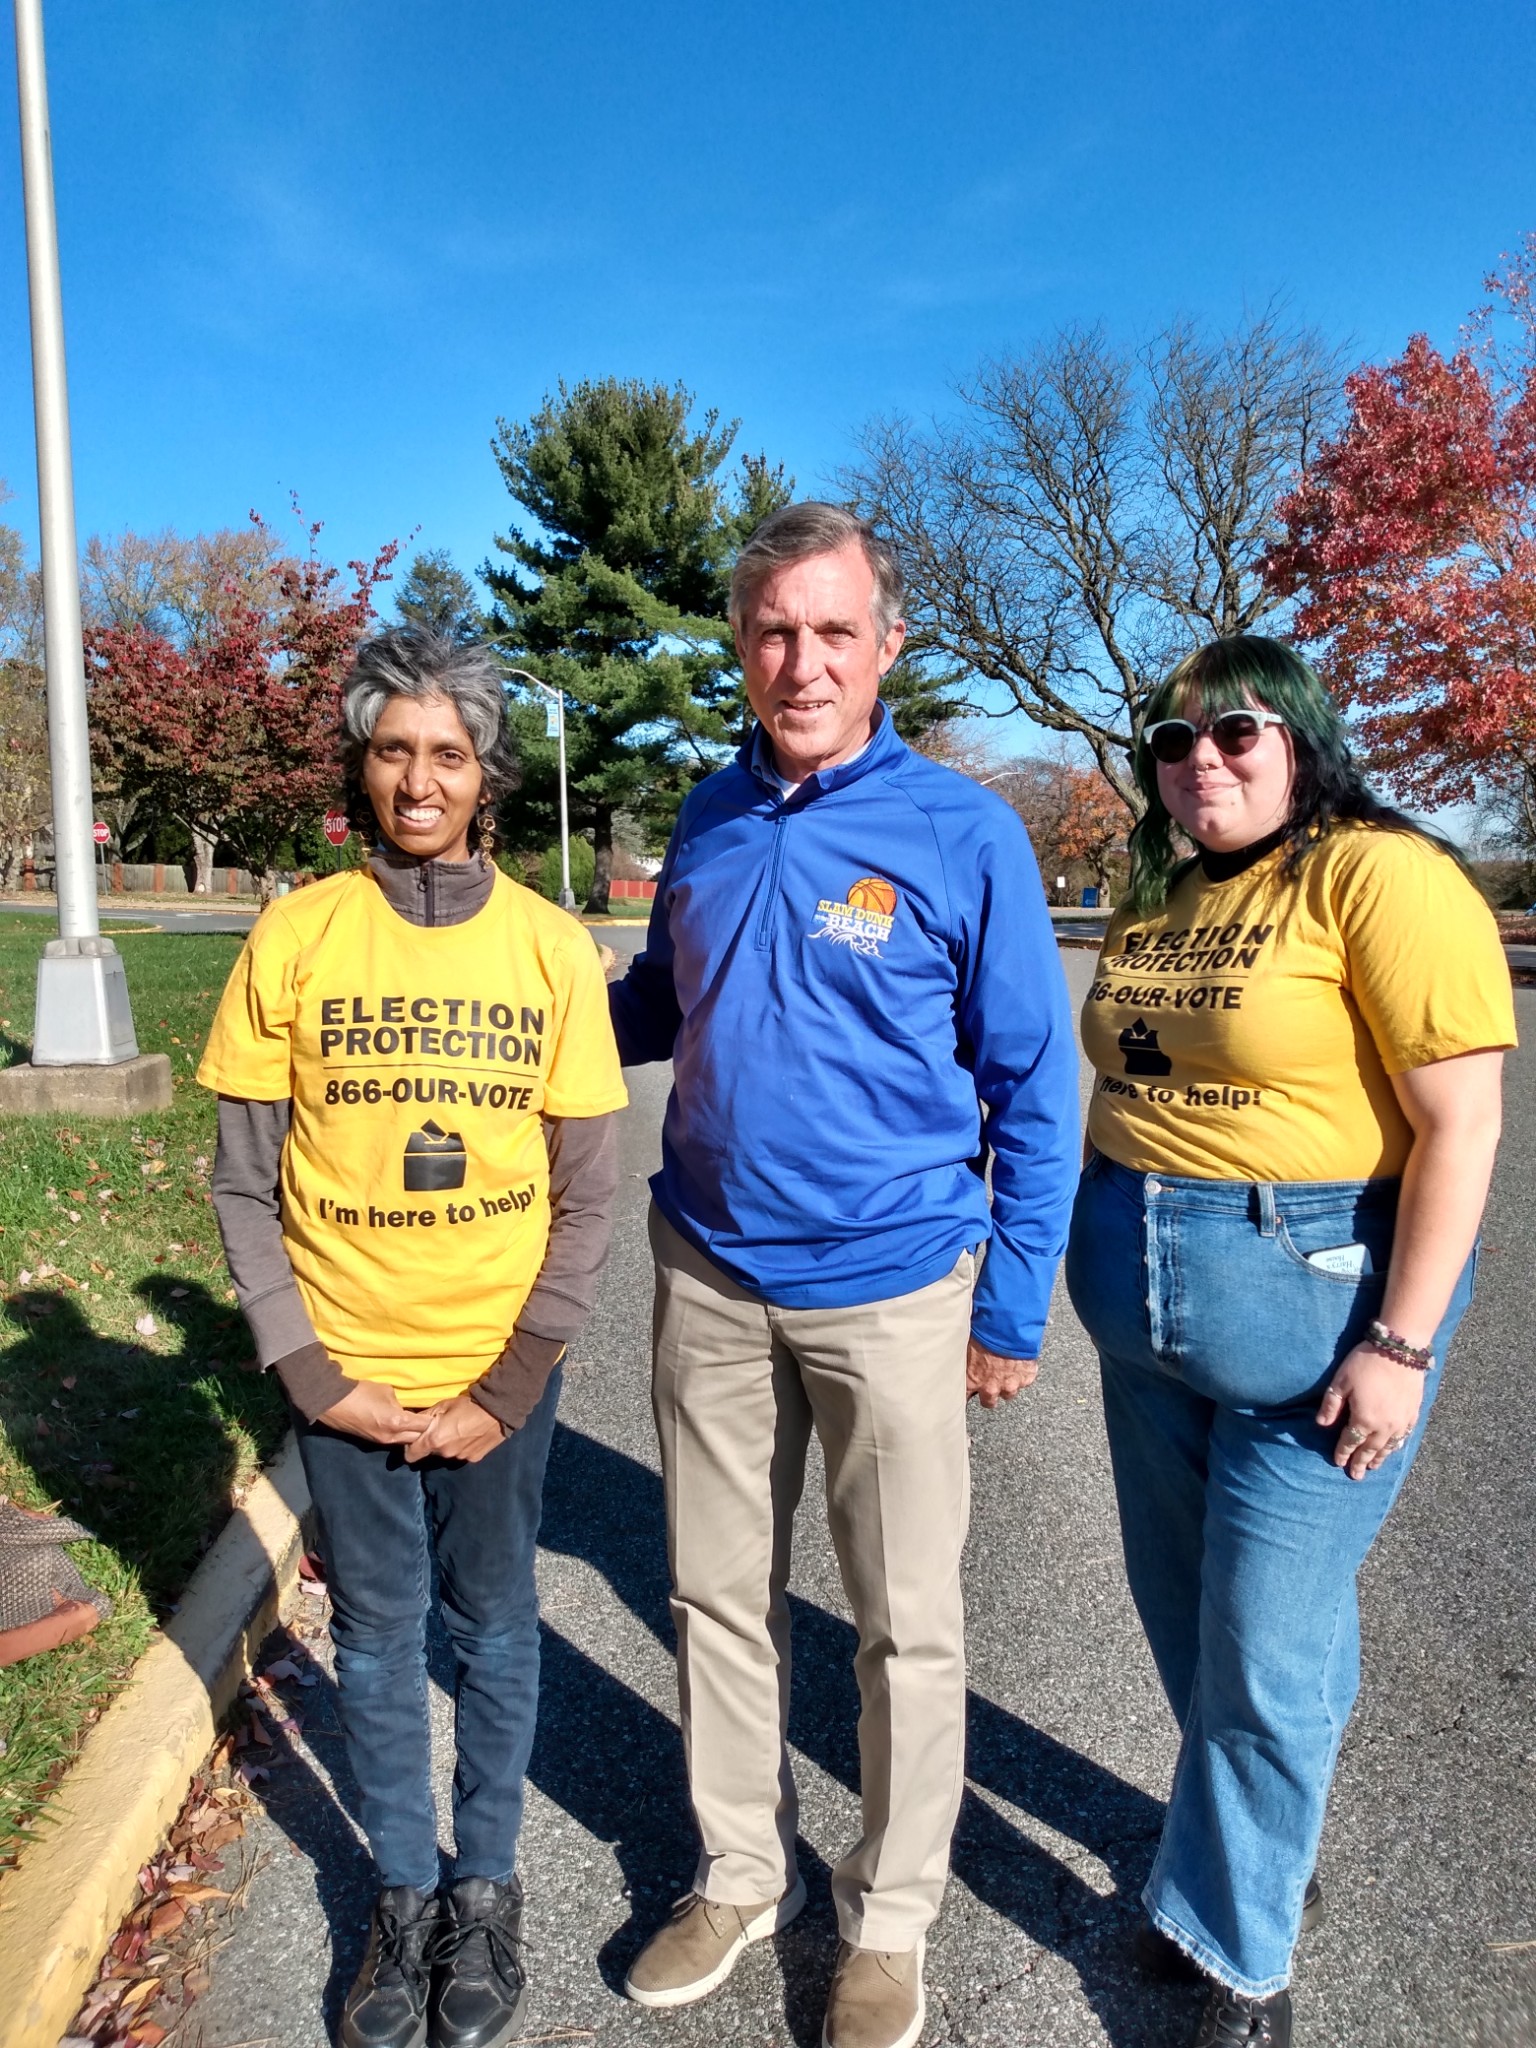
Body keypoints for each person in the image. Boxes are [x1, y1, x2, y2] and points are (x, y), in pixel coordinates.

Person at [609, 502, 1080, 2048]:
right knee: (715, 1593)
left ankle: (891, 1917)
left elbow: (1034, 1089)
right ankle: (747, 1870)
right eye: (771, 632)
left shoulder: (964, 831)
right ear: (740, 649)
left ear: (884, 646)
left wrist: (1009, 1308)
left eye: (831, 632)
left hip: (894, 1287)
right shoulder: (709, 812)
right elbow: (654, 1005)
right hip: (711, 1269)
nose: (801, 662)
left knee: (904, 1619)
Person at [1065, 636, 1516, 2048]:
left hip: (1318, 1324)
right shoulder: (1162, 894)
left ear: (1304, 738)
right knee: (1190, 1622)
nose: (1203, 761)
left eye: (1238, 733)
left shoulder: (1383, 876)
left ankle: (1239, 1958)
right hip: (1142, 1323)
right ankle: (1252, 1850)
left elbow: (1463, 1125)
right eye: (1174, 741)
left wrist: (1402, 1343)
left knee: (1266, 1644)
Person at [199, 628, 627, 2048]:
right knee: (380, 1641)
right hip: (348, 1380)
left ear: (486, 773)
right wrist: (312, 1374)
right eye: (395, 750)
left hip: (499, 1380)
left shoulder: (552, 948)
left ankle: (487, 1892)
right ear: (362, 768)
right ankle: (399, 1893)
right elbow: (243, 1183)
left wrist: (511, 1384)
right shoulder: (298, 934)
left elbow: (587, 1194)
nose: (420, 777)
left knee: (495, 1628)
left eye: (448, 752)